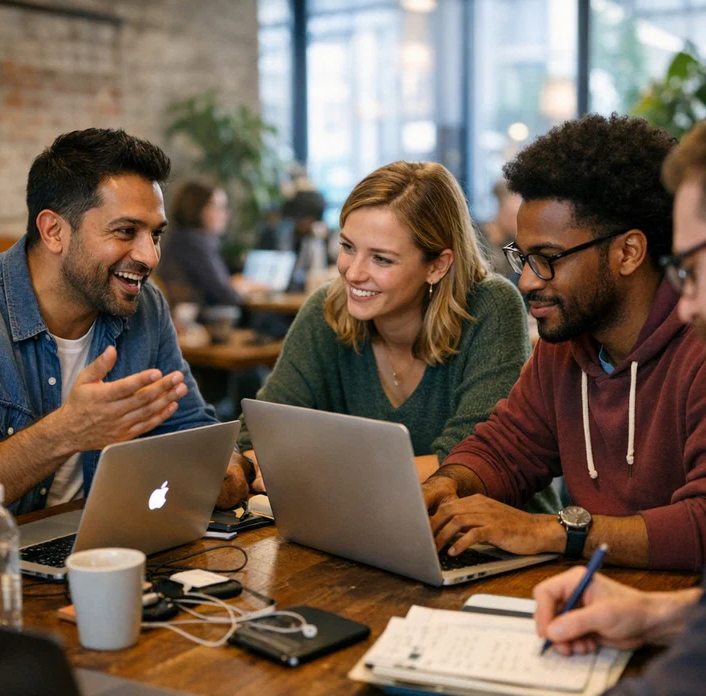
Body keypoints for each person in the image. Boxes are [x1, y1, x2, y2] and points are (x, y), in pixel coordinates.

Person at [423, 114, 706, 571]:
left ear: (628, 252)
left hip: (684, 613)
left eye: (547, 259)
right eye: (523, 258)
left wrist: (548, 530)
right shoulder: (565, 343)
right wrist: (448, 484)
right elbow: (509, 448)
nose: (526, 281)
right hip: (592, 602)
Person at [534, 99, 706, 696]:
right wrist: (659, 616)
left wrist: (557, 532)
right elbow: (504, 443)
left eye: (696, 266)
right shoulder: (564, 349)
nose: (686, 303)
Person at [0, 128, 252, 536]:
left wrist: (229, 467)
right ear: (53, 232)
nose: (149, 256)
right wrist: (65, 433)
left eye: (155, 234)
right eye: (125, 232)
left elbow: (189, 429)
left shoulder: (145, 307)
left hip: (111, 541)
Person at [237, 160, 556, 515]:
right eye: (347, 247)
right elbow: (258, 439)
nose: (353, 273)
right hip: (371, 528)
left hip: (501, 543)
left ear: (437, 265)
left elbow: (468, 467)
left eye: (382, 259)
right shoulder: (326, 309)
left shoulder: (490, 307)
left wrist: (325, 471)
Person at [156, 179, 265, 308]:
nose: (225, 214)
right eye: (218, 207)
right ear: (197, 209)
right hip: (203, 323)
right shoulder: (194, 244)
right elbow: (226, 296)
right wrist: (247, 286)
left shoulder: (180, 239)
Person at [478, 179, 522, 283]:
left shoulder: (516, 246)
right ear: (500, 208)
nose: (518, 222)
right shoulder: (476, 238)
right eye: (513, 215)